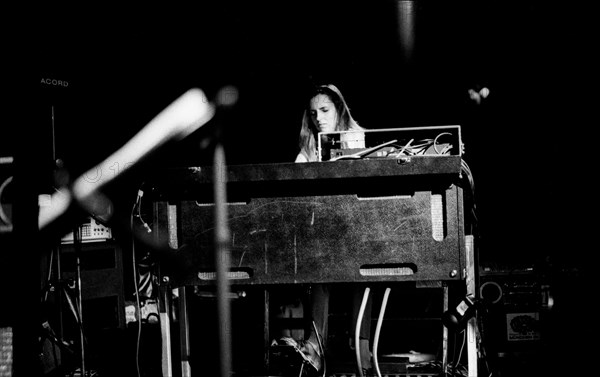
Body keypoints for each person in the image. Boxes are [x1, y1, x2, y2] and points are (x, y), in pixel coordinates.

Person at [274, 84, 373, 376]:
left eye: (325, 110)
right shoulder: (309, 147)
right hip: (325, 234)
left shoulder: (359, 138)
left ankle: (363, 349)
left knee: (363, 274)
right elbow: (293, 182)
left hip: (357, 230)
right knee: (319, 272)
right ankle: (315, 347)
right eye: (314, 112)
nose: (318, 117)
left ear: (339, 109)